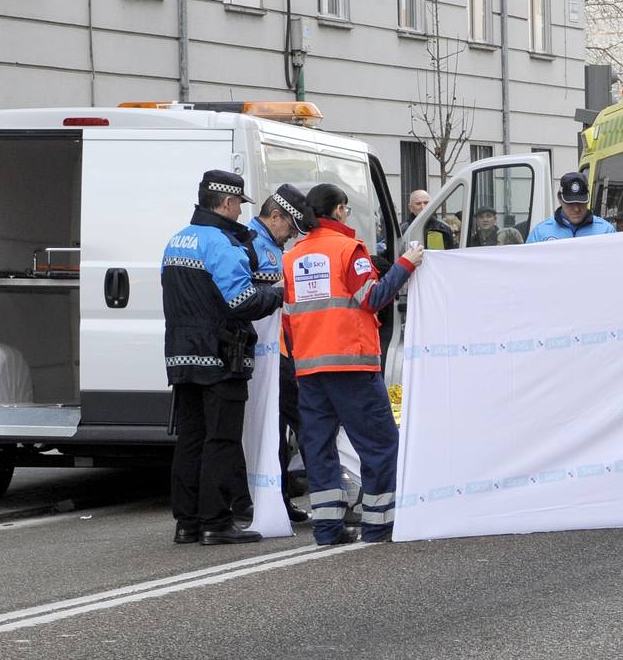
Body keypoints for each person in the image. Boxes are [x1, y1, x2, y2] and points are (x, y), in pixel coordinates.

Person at [282, 184, 425, 545]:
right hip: (351, 365)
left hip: (310, 368)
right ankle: (378, 524)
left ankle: (328, 529)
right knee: (379, 443)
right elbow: (372, 297)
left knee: (318, 448)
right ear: (340, 210)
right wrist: (406, 265)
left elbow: (288, 319)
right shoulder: (349, 249)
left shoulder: (292, 257)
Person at [161, 170, 282, 546]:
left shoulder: (176, 240)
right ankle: (216, 522)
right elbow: (240, 301)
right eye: (238, 205)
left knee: (191, 439)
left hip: (181, 356)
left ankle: (187, 523)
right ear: (228, 203)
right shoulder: (222, 245)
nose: (238, 212)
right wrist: (278, 294)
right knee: (222, 440)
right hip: (221, 356)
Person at [247, 184, 314, 524]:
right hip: (270, 355)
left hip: (282, 352)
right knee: (296, 422)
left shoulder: (269, 244)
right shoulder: (253, 245)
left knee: (280, 428)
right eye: (290, 228)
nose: (291, 237)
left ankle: (280, 499)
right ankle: (281, 498)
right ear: (276, 216)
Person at [526, 171, 618, 242]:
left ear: (588, 200)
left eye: (581, 202)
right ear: (559, 199)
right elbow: (528, 264)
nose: (576, 209)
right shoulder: (540, 233)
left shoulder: (607, 231)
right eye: (570, 203)